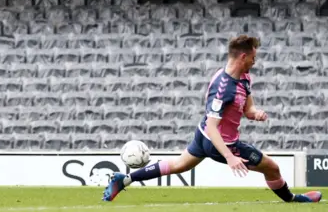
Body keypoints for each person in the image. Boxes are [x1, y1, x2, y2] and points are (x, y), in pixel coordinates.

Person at [102, 35, 322, 204]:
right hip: (220, 142)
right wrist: (229, 156)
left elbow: (248, 108)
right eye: (253, 57)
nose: (255, 61)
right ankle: (293, 200)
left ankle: (124, 180)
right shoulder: (222, 87)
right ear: (243, 56)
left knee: (178, 165)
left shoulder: (243, 77)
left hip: (204, 135)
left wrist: (256, 113)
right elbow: (213, 125)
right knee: (272, 167)